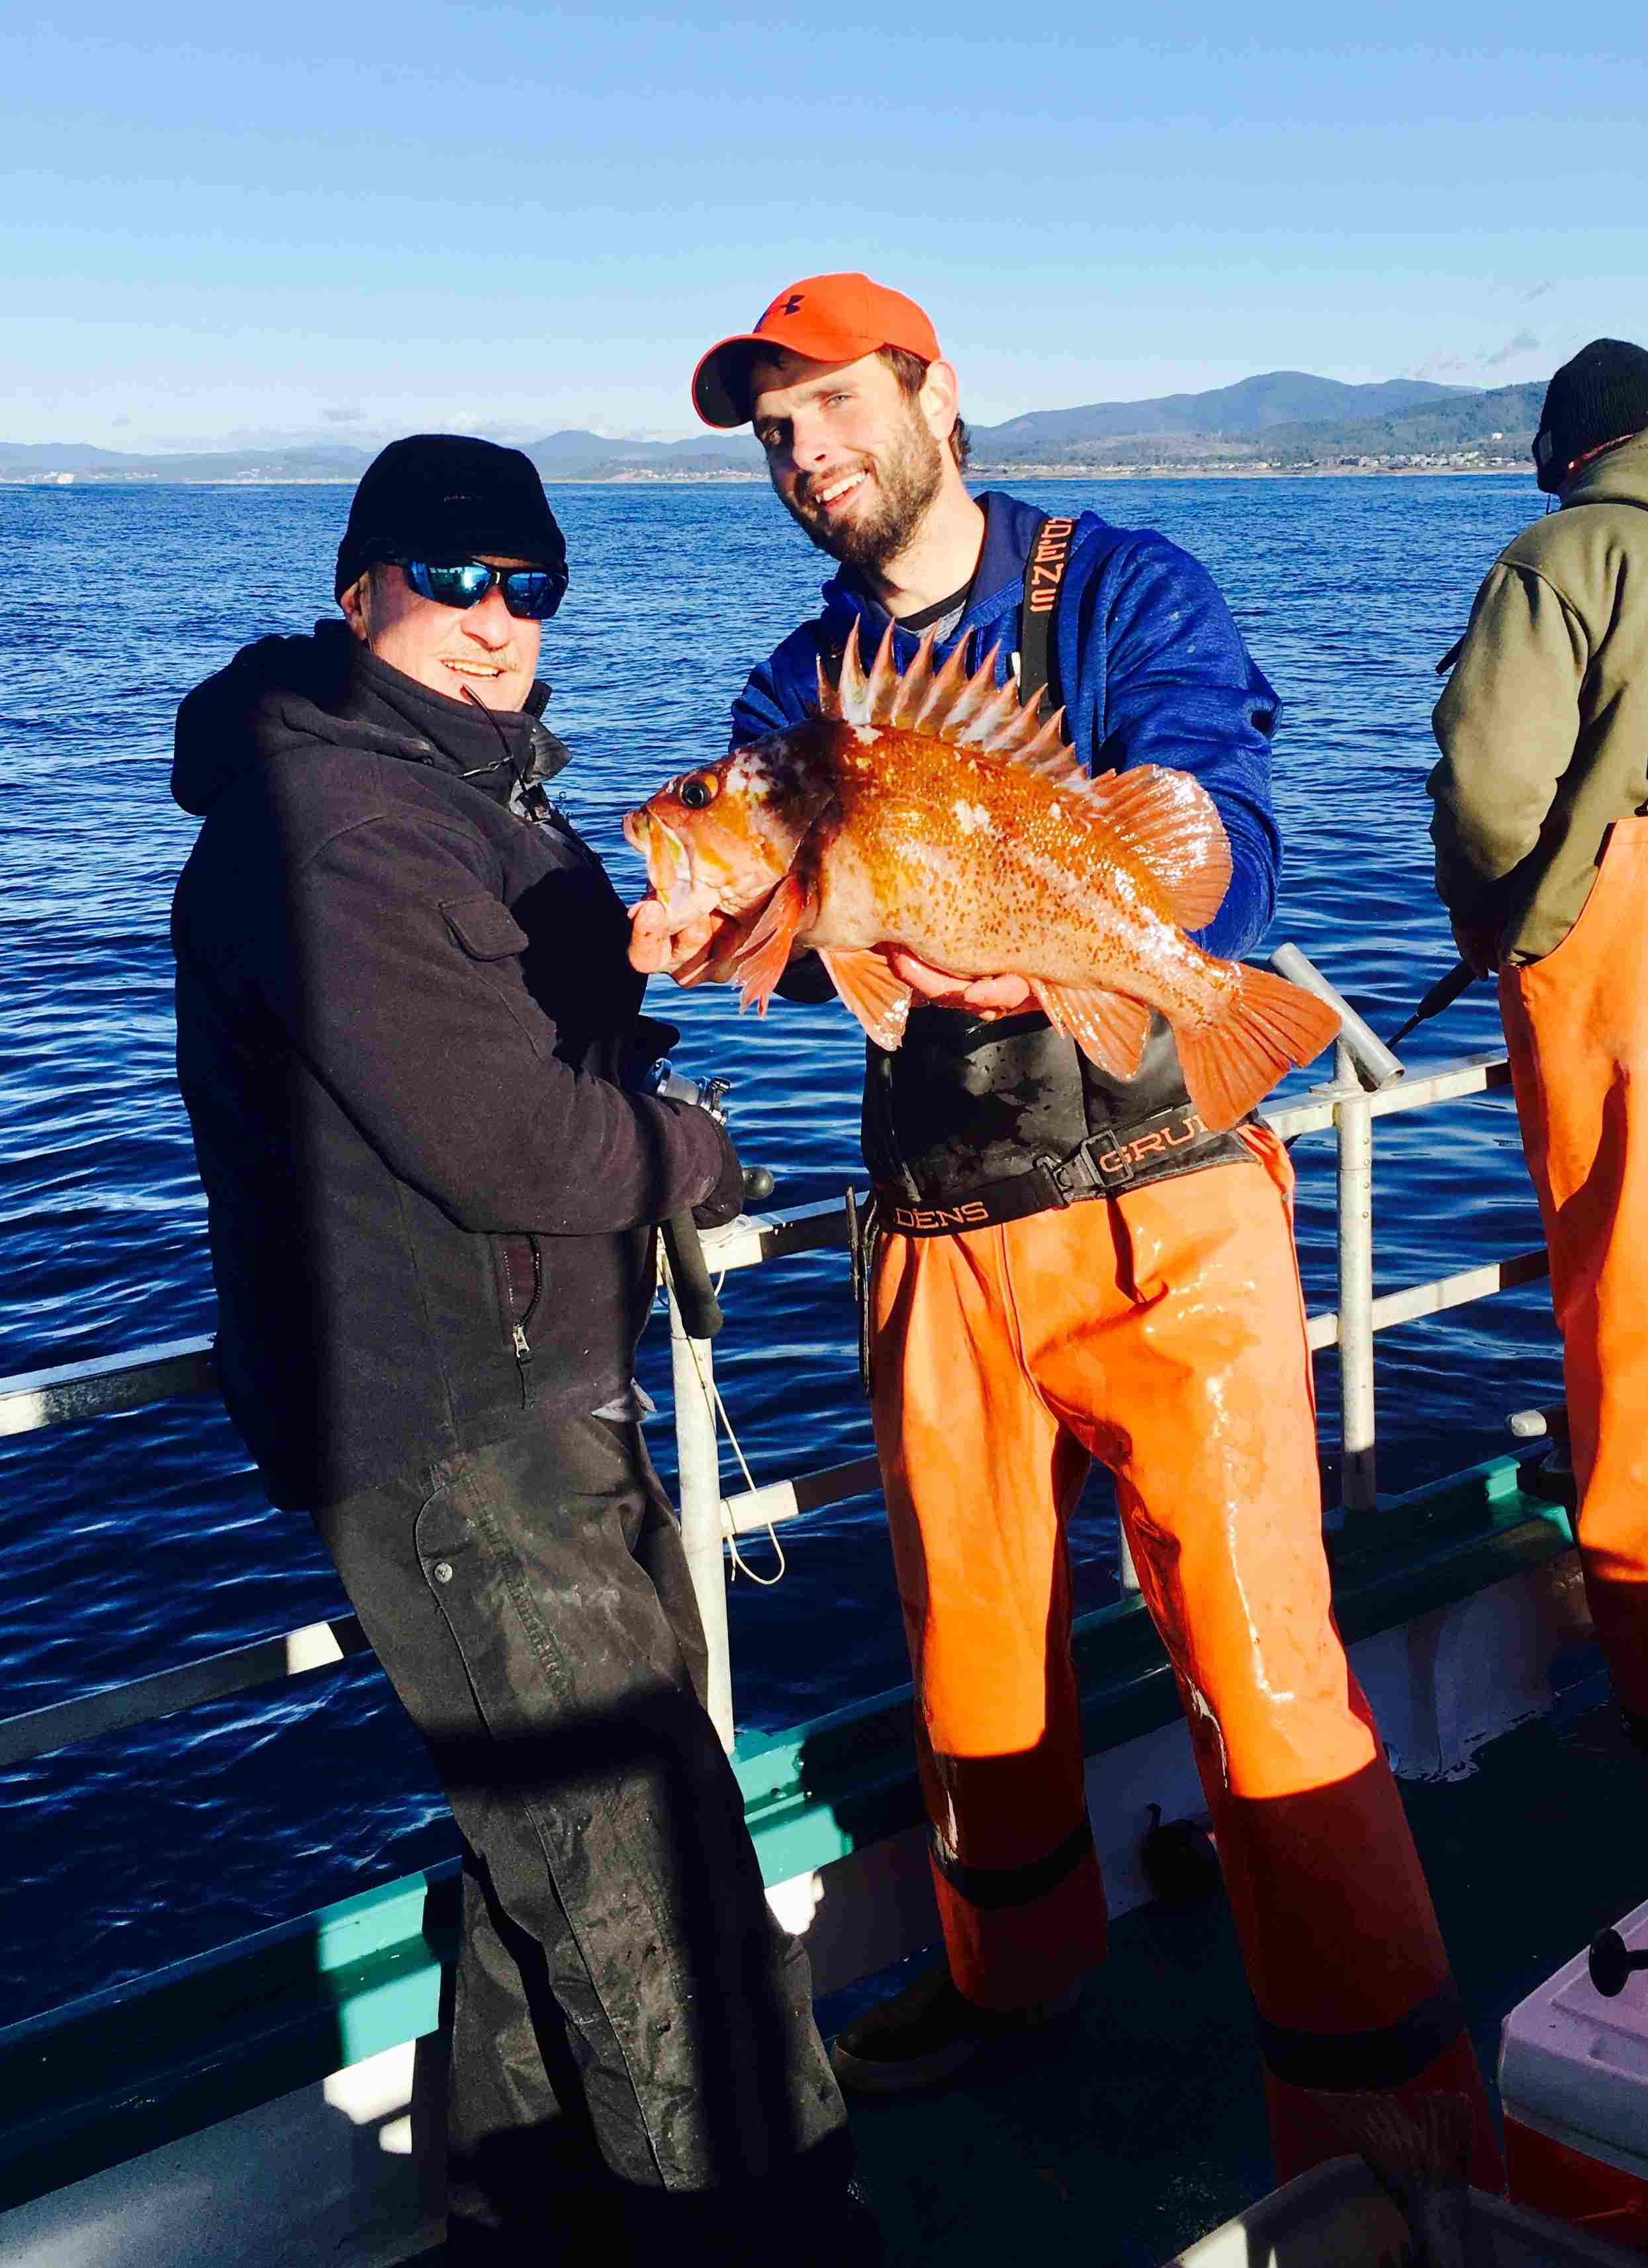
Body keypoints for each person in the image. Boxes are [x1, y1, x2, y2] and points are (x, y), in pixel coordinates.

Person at [631, 273, 1502, 2185]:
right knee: (975, 1659)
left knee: (1264, 1656)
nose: (809, 456)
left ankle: (1389, 2108)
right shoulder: (801, 695)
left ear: (941, 395)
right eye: (775, 435)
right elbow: (803, 933)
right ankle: (1013, 1977)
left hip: (1162, 1210)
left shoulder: (1119, 590)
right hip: (938, 1226)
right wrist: (714, 933)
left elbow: (1222, 807)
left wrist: (1096, 935)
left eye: (838, 407)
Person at [170, 434, 869, 2265]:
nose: (496, 625)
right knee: (651, 1899)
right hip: (453, 1432)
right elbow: (503, 1140)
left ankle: (517, 2231)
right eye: (452, 581)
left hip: (539, 1397)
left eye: (531, 587)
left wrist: (667, 949)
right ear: (359, 593)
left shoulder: (462, 792)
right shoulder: (328, 821)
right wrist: (701, 1151)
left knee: (547, 1867)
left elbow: (534, 1024)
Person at [1429, 340, 1648, 1750]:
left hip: (1640, 982)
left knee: (1643, 1330)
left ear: (1567, 459)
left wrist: (1502, 920)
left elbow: (1492, 789)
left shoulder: (1564, 557)